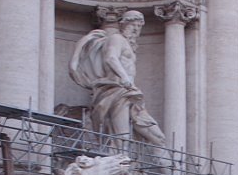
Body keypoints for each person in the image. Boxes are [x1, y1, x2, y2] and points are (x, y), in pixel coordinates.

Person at [69, 11, 166, 147]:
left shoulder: (128, 45)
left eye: (138, 27)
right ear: (125, 24)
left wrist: (129, 83)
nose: (136, 31)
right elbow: (111, 58)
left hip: (131, 93)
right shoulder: (116, 39)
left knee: (159, 138)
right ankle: (121, 165)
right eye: (134, 26)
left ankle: (172, 167)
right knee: (121, 140)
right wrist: (125, 78)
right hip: (117, 91)